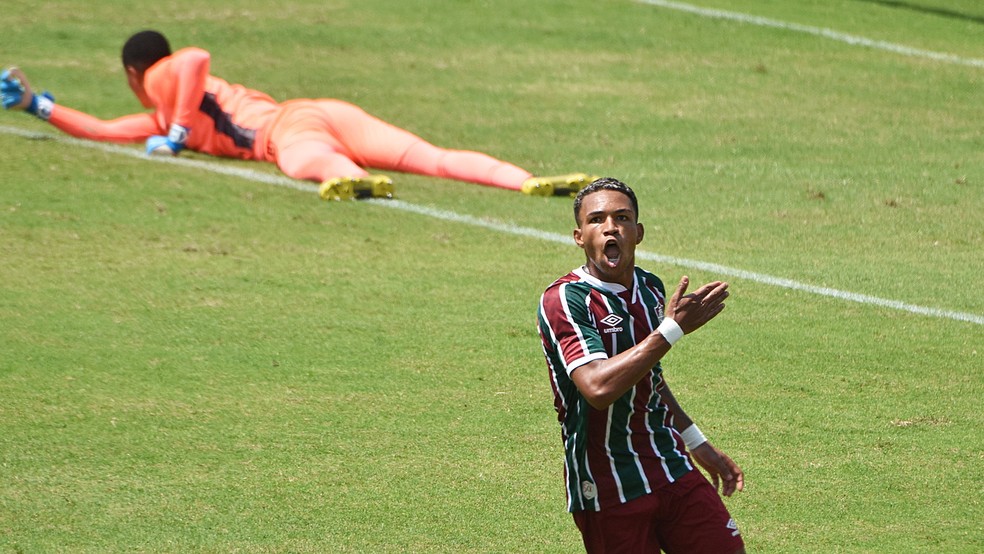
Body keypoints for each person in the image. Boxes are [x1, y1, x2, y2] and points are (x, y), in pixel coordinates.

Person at [1, 30, 593, 200]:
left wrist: (179, 132)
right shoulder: (158, 119)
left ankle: (350, 181)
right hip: (320, 109)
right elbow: (102, 130)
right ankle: (523, 179)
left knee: (306, 161)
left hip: (289, 131)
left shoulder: (160, 83)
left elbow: (195, 57)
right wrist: (37, 104)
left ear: (133, 74)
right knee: (429, 158)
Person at [535, 177, 745, 553]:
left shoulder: (649, 288)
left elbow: (651, 377)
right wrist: (671, 330)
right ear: (579, 236)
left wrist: (697, 443)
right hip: (608, 482)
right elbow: (598, 389)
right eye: (596, 220)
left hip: (668, 462)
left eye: (622, 217)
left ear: (638, 232)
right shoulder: (566, 300)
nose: (610, 227)